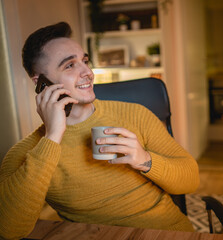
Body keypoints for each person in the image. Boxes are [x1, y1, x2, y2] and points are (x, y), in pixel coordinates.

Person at [0, 22, 199, 239]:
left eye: (84, 61)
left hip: (166, 232)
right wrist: (53, 136)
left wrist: (145, 160)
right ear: (41, 83)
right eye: (69, 65)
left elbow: (191, 180)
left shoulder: (135, 114)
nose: (87, 72)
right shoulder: (26, 152)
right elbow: (9, 230)